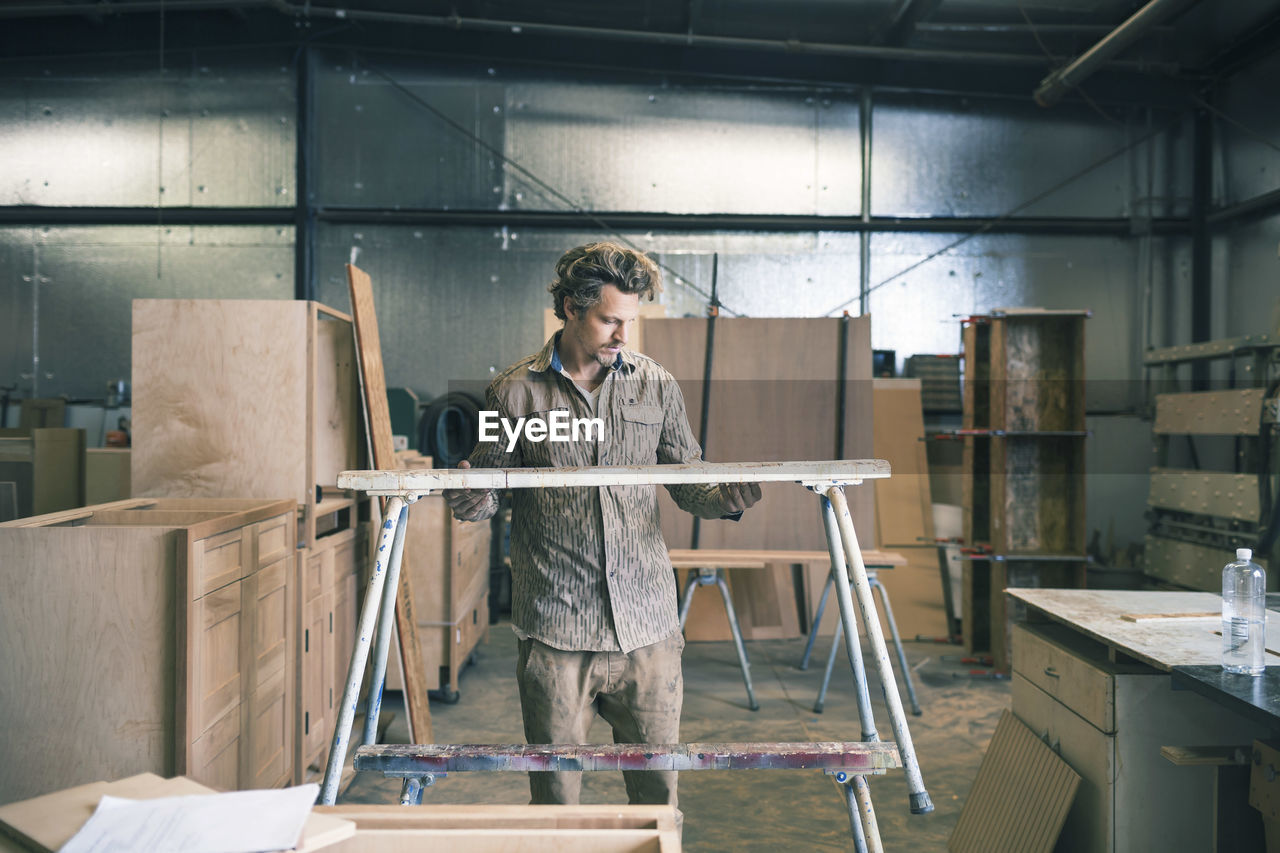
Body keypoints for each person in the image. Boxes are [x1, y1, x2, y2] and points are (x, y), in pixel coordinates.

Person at [443, 241, 761, 816]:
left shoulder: (655, 385)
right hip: (557, 631)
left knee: (658, 795)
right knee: (557, 798)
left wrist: (726, 500)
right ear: (569, 307)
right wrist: (469, 496)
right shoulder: (514, 394)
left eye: (630, 322)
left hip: (648, 630)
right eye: (610, 320)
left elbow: (688, 481)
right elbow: (490, 490)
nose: (622, 336)